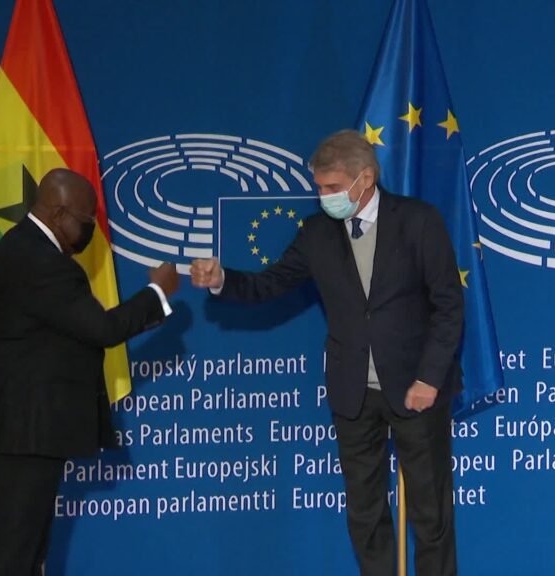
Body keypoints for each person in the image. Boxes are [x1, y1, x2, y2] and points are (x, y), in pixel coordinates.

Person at [191, 130, 463, 576]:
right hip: (353, 393)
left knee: (430, 514)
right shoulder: (316, 233)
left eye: (332, 188)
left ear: (366, 178)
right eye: (319, 188)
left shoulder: (418, 221)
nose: (324, 197)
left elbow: (449, 305)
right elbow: (271, 283)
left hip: (417, 389)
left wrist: (430, 378)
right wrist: (223, 278)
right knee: (364, 512)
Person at [0, 168, 179, 576]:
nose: (89, 231)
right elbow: (103, 329)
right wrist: (158, 292)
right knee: (12, 552)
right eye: (87, 221)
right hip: (22, 431)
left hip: (15, 428)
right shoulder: (42, 262)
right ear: (60, 214)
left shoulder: (24, 249)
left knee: (23, 548)